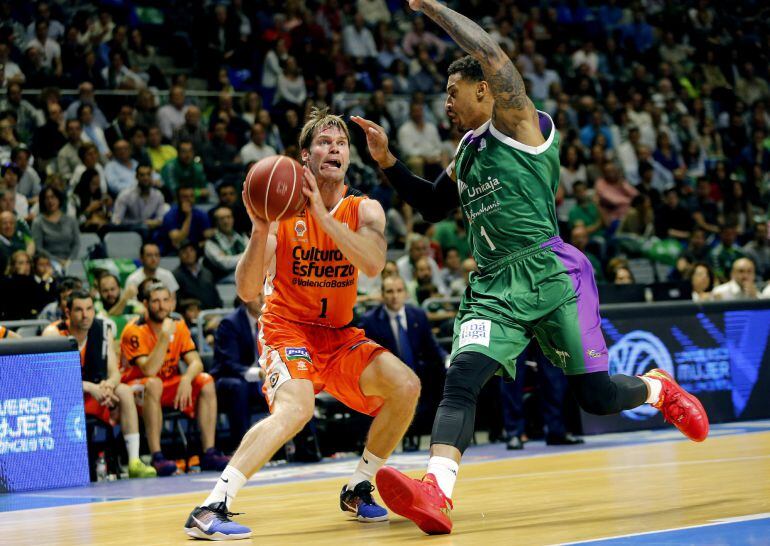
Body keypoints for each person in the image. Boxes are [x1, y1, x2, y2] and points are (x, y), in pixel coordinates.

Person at [351, 0, 709, 535]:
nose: (446, 104)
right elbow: (430, 206)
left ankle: (659, 389)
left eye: (453, 93)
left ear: (483, 90)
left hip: (551, 274)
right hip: (494, 285)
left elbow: (491, 52)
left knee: (598, 395)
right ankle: (435, 492)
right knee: (461, 380)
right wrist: (386, 161)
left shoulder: (520, 123)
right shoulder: (466, 152)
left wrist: (430, 7)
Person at [184, 108, 421, 539]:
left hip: (339, 335)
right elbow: (246, 289)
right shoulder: (281, 215)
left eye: (342, 143)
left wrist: (325, 218)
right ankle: (210, 506)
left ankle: (358, 484)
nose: (335, 148)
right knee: (298, 408)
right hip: (287, 328)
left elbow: (372, 264)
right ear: (305, 159)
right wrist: (258, 230)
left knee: (406, 386)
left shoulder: (364, 209)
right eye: (325, 142)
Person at [43, 290, 156, 478]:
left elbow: (114, 372)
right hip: (64, 397)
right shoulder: (53, 334)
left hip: (97, 393)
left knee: (125, 391)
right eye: (79, 310)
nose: (85, 314)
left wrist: (108, 386)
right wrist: (90, 387)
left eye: (89, 309)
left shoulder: (103, 330)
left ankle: (134, 461)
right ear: (67, 312)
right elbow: (53, 380)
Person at [120, 282, 228, 476]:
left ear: (172, 303)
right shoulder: (133, 330)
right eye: (155, 301)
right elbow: (149, 370)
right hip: (135, 389)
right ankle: (157, 456)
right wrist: (163, 337)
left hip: (167, 385)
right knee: (154, 383)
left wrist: (186, 379)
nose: (161, 306)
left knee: (206, 381)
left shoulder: (178, 324)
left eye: (165, 300)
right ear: (145, 304)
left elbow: (196, 362)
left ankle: (209, 453)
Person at [360, 275, 447, 452]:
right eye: (390, 291)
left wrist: (448, 359)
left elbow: (432, 346)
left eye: (399, 291)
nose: (394, 296)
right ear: (382, 295)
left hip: (418, 371)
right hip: (386, 377)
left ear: (406, 294)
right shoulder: (371, 320)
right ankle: (393, 442)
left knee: (442, 377)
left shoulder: (418, 315)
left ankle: (444, 438)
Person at [210, 296, 269, 451]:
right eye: (257, 295)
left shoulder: (272, 320)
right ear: (245, 297)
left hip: (260, 381)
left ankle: (307, 448)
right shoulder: (230, 324)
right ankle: (243, 450)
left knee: (291, 382)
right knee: (239, 387)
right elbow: (229, 364)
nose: (263, 299)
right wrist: (259, 373)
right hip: (228, 379)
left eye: (264, 293)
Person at [501, 341, 584, 450]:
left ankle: (556, 430)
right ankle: (514, 433)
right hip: (516, 325)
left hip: (545, 323)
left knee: (554, 372)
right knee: (512, 370)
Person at [31, 186, 80, 271]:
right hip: (48, 263)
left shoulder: (71, 220)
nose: (50, 201)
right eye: (46, 198)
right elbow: (38, 248)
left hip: (70, 261)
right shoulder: (38, 222)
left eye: (53, 197)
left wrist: (70, 261)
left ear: (59, 199)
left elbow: (76, 244)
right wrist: (57, 261)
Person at [173, 240, 223, 310]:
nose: (188, 254)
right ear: (179, 255)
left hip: (212, 313)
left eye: (191, 250)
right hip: (189, 316)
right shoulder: (175, 275)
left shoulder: (207, 273)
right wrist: (193, 303)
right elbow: (176, 301)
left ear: (196, 252)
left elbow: (216, 297)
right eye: (184, 251)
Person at [203, 206, 247, 281]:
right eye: (222, 219)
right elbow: (225, 264)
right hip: (224, 280)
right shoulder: (211, 242)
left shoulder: (241, 236)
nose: (226, 221)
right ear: (216, 222)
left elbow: (255, 254)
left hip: (245, 276)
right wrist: (247, 256)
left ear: (233, 219)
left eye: (228, 217)